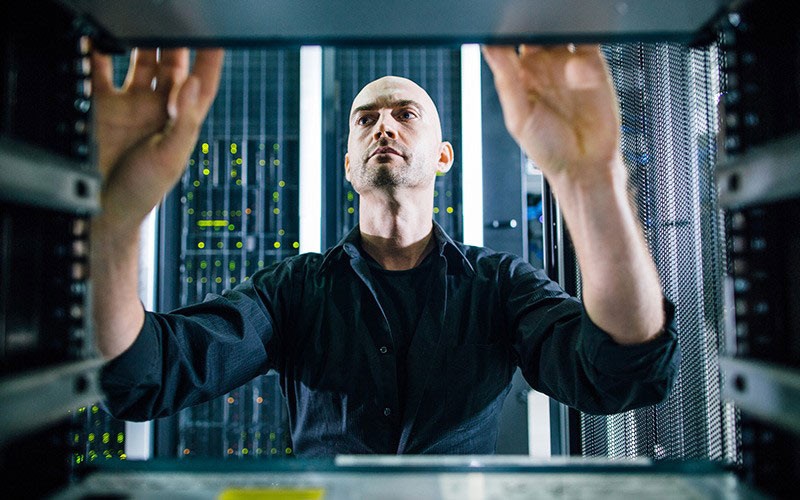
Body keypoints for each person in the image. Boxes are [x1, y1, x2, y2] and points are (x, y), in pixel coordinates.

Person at [90, 44, 679, 456]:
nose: (384, 128)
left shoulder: (498, 285)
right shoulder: (292, 292)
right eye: (365, 118)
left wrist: (593, 179)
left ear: (443, 156)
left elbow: (621, 370)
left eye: (405, 115)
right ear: (348, 164)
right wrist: (113, 224)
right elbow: (146, 374)